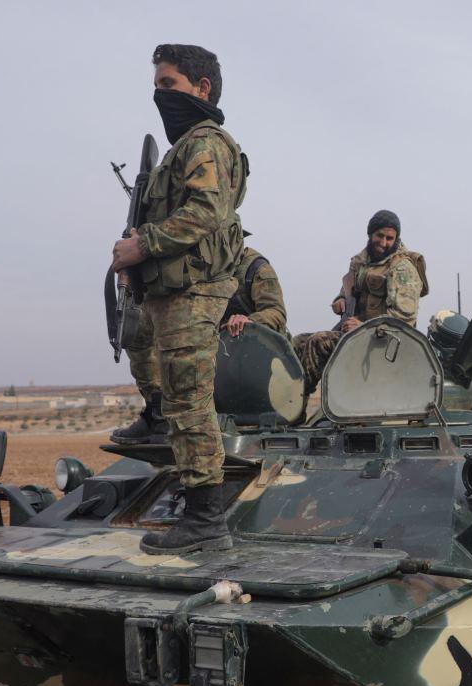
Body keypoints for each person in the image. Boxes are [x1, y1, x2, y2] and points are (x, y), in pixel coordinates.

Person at [109, 43, 248, 554]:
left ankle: (206, 522)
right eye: (157, 84)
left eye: (168, 84)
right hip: (173, 291)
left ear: (202, 88)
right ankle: (200, 514)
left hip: (195, 291)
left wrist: (142, 245)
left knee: (189, 402)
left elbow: (205, 214)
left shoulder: (206, 143)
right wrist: (136, 266)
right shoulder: (183, 148)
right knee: (176, 398)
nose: (158, 94)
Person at [114, 245, 289, 445]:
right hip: (208, 357)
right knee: (142, 329)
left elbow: (276, 313)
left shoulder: (254, 268)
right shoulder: (196, 267)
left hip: (254, 361)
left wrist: (251, 321)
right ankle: (158, 413)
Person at [292, 210, 427, 392]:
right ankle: (290, 398)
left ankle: (298, 403)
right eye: (380, 236)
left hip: (384, 341)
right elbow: (346, 290)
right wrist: (340, 301)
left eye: (390, 238)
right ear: (370, 234)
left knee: (318, 342)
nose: (384, 243)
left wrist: (363, 326)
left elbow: (403, 322)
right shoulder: (360, 262)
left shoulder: (402, 268)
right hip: (357, 334)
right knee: (298, 342)